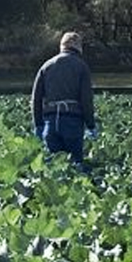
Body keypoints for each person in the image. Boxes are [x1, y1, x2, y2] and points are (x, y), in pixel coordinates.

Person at [31, 31, 96, 165]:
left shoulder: (46, 66)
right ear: (78, 48)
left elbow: (36, 99)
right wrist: (91, 125)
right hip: (72, 122)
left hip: (51, 123)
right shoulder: (81, 67)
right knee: (75, 165)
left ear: (62, 46)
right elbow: (86, 100)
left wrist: (38, 124)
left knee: (55, 167)